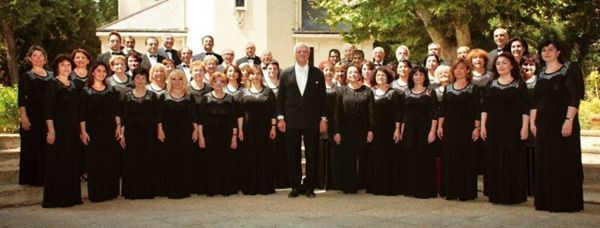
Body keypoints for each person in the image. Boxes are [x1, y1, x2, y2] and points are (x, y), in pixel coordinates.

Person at [530, 40, 584, 212]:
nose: (546, 52)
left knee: (563, 161)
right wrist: (533, 122)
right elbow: (536, 101)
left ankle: (564, 202)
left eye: (550, 49)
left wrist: (568, 121)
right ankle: (547, 201)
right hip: (544, 124)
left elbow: (574, 98)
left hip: (563, 123)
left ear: (558, 52)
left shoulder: (568, 71)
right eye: (543, 50)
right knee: (546, 161)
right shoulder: (540, 74)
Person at [277, 42, 327, 198]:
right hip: (291, 121)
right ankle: (295, 186)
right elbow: (281, 98)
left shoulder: (317, 73)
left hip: (312, 120)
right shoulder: (285, 73)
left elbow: (322, 99)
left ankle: (310, 187)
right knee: (293, 154)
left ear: (309, 54)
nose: (302, 54)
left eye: (305, 51)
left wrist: (323, 118)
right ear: (294, 54)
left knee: (312, 155)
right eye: (299, 51)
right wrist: (280, 118)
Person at [480, 53, 530, 205]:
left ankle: (513, 194)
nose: (501, 66)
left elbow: (525, 108)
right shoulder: (491, 84)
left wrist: (525, 128)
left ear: (512, 65)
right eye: (498, 63)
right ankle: (496, 194)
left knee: (512, 159)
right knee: (495, 159)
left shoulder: (519, 84)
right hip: (493, 128)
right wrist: (483, 126)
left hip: (513, 128)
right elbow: (485, 108)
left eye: (504, 63)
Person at [437, 59, 481, 201]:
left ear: (468, 71)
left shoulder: (473, 88)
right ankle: (451, 190)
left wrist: (477, 128)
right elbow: (443, 109)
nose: (458, 71)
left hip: (466, 129)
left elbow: (477, 110)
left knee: (466, 159)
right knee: (450, 158)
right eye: (456, 68)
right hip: (449, 128)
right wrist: (439, 126)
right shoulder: (448, 88)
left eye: (462, 68)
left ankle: (465, 192)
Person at [42, 54, 82, 208]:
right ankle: (56, 199)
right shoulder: (52, 84)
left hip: (71, 130)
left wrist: (79, 130)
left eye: (68, 65)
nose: (66, 67)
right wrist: (51, 131)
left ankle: (71, 197)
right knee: (57, 163)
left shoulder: (74, 85)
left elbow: (77, 111)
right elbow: (48, 110)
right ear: (57, 67)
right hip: (58, 129)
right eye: (62, 65)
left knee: (71, 161)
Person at [79, 62, 121, 203]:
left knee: (109, 161)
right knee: (95, 162)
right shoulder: (85, 91)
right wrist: (83, 132)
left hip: (109, 130)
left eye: (104, 71)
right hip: (93, 131)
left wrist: (118, 127)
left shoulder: (111, 90)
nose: (101, 73)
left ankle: (110, 191)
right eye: (98, 70)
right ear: (93, 72)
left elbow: (116, 111)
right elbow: (82, 114)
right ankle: (97, 194)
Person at [332, 65, 374, 194]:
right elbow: (336, 113)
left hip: (362, 129)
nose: (353, 74)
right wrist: (337, 131)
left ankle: (362, 183)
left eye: (355, 72)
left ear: (360, 74)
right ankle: (348, 185)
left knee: (362, 157)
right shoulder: (340, 91)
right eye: (350, 72)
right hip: (345, 130)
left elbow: (371, 113)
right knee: (347, 158)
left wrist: (371, 130)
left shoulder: (367, 91)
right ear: (347, 75)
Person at [157, 70, 198, 199]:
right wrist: (160, 129)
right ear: (170, 81)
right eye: (174, 79)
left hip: (186, 133)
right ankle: (170, 189)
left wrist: (196, 130)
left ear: (184, 81)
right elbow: (159, 116)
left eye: (180, 79)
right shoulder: (164, 96)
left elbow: (194, 116)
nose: (177, 82)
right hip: (169, 133)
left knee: (185, 160)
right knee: (170, 160)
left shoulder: (189, 96)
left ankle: (184, 189)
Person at [198, 72, 240, 196]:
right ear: (211, 83)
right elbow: (200, 120)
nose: (218, 84)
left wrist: (234, 137)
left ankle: (225, 188)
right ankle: (212, 189)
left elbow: (234, 120)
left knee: (225, 161)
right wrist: (201, 136)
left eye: (221, 81)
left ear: (225, 83)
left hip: (226, 134)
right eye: (216, 81)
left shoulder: (230, 98)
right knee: (211, 161)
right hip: (209, 134)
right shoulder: (206, 98)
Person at [120, 67, 159, 200]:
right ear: (133, 79)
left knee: (148, 160)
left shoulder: (152, 96)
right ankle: (133, 191)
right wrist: (122, 134)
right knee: (132, 161)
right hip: (132, 134)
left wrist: (158, 131)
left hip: (149, 133)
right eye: (137, 77)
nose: (140, 80)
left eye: (143, 78)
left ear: (147, 79)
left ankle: (147, 190)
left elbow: (157, 117)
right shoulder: (128, 96)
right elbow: (124, 117)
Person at [238, 66, 277, 195]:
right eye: (252, 74)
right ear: (248, 76)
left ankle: (264, 186)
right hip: (248, 129)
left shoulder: (268, 91)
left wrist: (273, 128)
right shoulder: (243, 92)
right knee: (249, 157)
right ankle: (251, 187)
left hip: (265, 129)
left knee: (264, 157)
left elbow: (273, 112)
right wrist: (240, 130)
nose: (255, 76)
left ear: (261, 75)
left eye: (258, 74)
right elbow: (240, 114)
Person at [18, 45, 53, 186]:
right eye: (35, 56)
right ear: (29, 59)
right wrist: (24, 117)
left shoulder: (51, 75)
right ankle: (32, 178)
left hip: (48, 116)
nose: (38, 58)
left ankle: (46, 177)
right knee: (32, 147)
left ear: (45, 59)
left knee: (47, 147)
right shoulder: (26, 76)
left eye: (40, 55)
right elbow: (21, 99)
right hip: (32, 115)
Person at [402, 66, 438, 198]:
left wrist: (433, 131)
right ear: (411, 77)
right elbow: (403, 115)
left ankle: (424, 190)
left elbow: (435, 113)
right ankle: (411, 189)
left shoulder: (430, 92)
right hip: (410, 131)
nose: (418, 77)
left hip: (425, 130)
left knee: (424, 159)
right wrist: (400, 131)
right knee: (411, 159)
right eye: (415, 75)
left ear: (425, 77)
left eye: (421, 74)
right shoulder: (406, 92)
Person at [369, 68, 402, 196]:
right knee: (377, 157)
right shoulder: (371, 92)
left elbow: (398, 113)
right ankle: (377, 186)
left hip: (390, 130)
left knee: (389, 158)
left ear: (388, 77)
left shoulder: (395, 93)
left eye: (383, 75)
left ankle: (389, 187)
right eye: (378, 75)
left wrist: (397, 129)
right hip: (375, 130)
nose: (380, 77)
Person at [187, 60, 212, 195]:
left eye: (200, 70)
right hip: (191, 127)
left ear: (204, 72)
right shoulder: (186, 88)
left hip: (207, 128)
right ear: (191, 72)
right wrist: (195, 128)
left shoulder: (209, 88)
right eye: (195, 70)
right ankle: (193, 186)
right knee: (192, 157)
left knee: (205, 157)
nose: (198, 73)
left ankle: (204, 186)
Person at [266, 61, 290, 189]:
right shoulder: (263, 86)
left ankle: (283, 180)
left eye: (274, 68)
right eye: (269, 68)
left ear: (278, 70)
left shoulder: (284, 85)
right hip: (267, 123)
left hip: (283, 122)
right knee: (271, 151)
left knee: (282, 150)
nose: (272, 71)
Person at [317, 62, 337, 190]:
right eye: (325, 70)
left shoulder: (339, 88)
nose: (328, 72)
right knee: (320, 151)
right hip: (320, 123)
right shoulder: (317, 87)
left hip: (334, 123)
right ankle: (320, 181)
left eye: (330, 70)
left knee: (333, 152)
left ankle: (332, 181)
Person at [521, 54, 538, 196]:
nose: (528, 67)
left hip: (537, 122)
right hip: (520, 122)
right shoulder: (517, 82)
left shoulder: (540, 81)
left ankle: (535, 188)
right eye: (525, 64)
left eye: (531, 64)